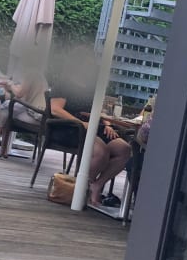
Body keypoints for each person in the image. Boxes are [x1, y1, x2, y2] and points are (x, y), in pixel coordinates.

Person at [49, 47, 131, 207]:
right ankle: (80, 190)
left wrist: (107, 124)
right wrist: (81, 123)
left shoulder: (91, 87)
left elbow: (97, 110)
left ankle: (97, 185)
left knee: (124, 149)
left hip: (93, 127)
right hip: (69, 128)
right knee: (101, 152)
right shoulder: (64, 83)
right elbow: (55, 109)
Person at [0, 69, 48, 156]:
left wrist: (9, 83)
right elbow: (20, 92)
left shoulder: (31, 73)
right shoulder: (39, 76)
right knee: (8, 109)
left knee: (7, 109)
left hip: (36, 115)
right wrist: (8, 87)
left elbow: (19, 94)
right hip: (41, 115)